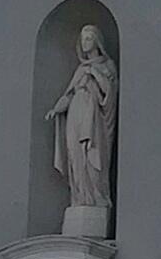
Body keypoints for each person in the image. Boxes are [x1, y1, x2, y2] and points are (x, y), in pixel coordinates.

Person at [49, 25, 118, 229]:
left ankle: (96, 198)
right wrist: (56, 109)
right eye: (83, 39)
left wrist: (95, 74)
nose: (85, 42)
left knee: (92, 158)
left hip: (94, 120)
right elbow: (68, 94)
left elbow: (109, 93)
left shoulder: (107, 65)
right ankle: (80, 198)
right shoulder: (80, 69)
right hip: (76, 116)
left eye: (89, 38)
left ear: (97, 41)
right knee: (76, 158)